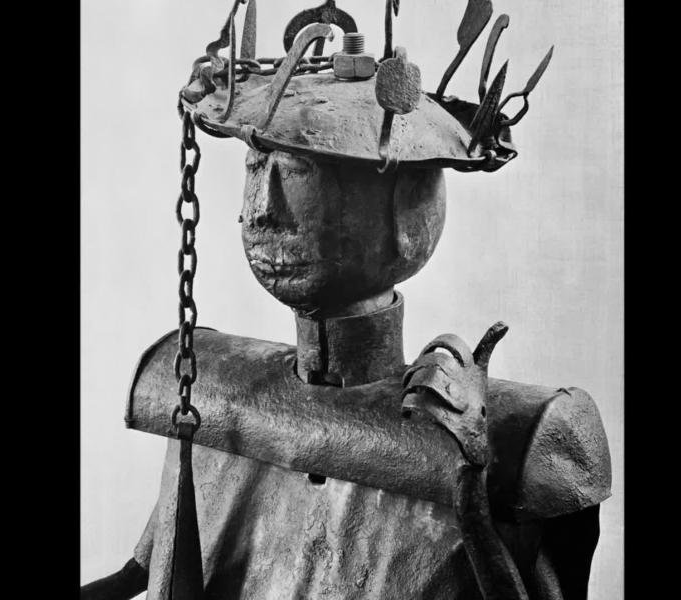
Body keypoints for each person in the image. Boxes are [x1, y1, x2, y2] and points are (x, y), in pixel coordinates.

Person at [83, 3, 610, 598]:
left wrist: (473, 508)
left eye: (297, 175)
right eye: (257, 167)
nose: (262, 211)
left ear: (406, 219)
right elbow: (136, 577)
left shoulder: (521, 442)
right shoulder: (208, 389)